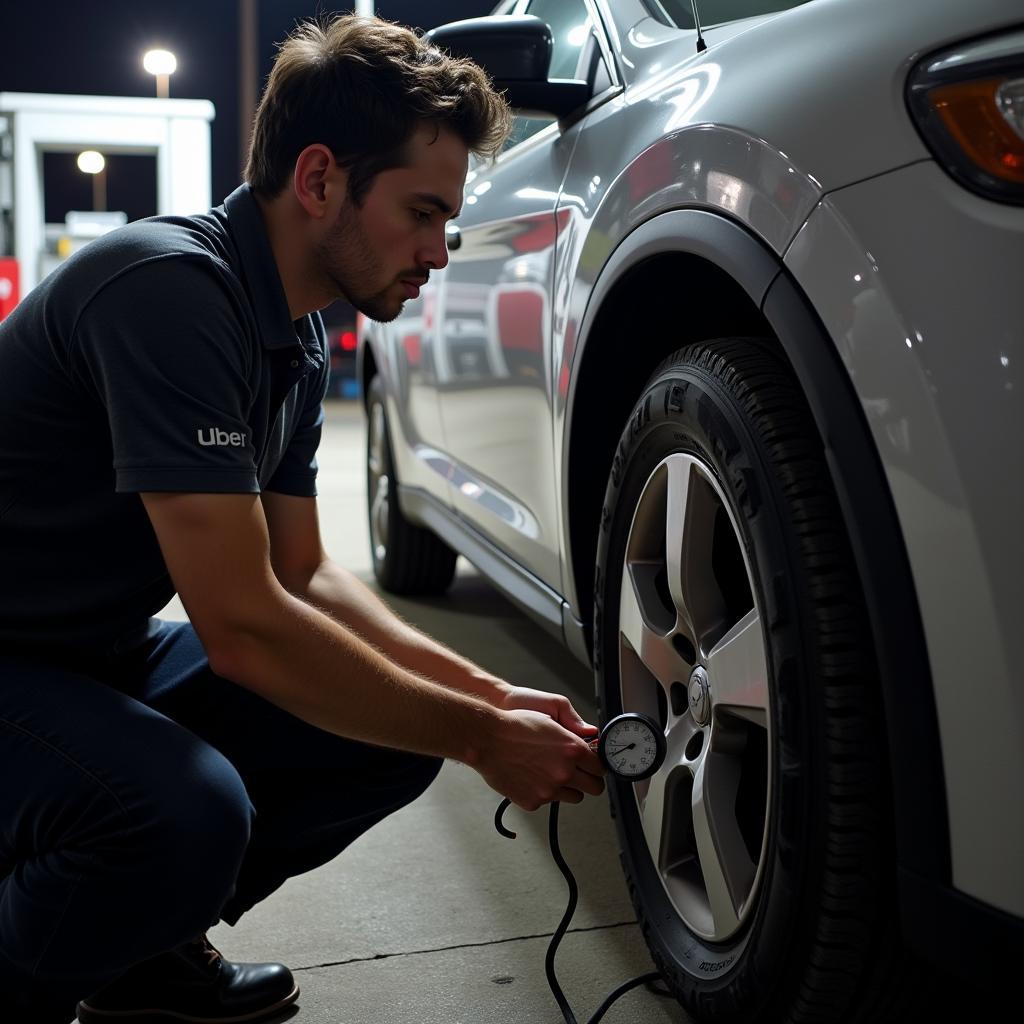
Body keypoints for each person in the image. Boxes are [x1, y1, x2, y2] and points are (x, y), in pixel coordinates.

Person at [0, 15, 605, 1024]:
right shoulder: (169, 292)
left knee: (391, 723)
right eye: (420, 212)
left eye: (446, 222)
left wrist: (486, 698)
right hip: (15, 665)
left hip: (83, 653)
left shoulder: (295, 333)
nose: (437, 252)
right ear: (320, 180)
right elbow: (242, 626)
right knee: (180, 811)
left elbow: (306, 574)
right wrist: (483, 737)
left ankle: (133, 945)